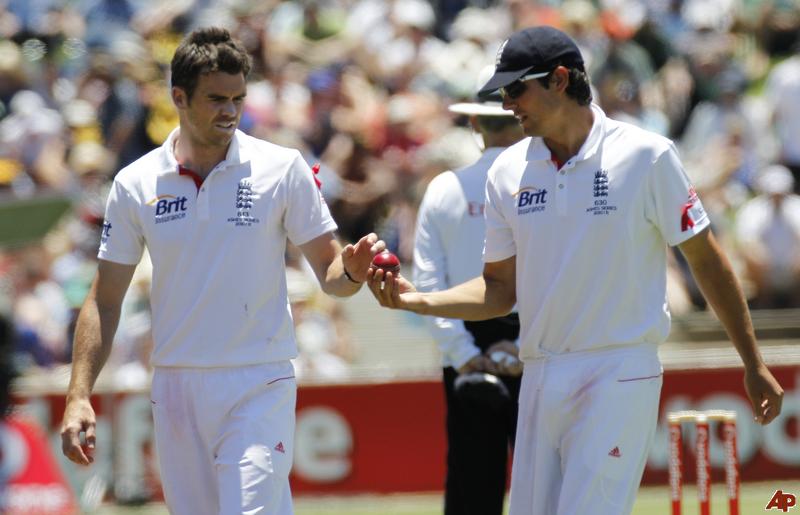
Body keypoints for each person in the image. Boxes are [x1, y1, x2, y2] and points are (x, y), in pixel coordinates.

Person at [367, 25, 784, 515]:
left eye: (516, 89)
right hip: (539, 373)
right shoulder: (507, 171)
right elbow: (499, 290)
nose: (507, 104)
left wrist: (752, 362)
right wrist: (416, 300)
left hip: (618, 370)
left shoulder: (646, 155)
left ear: (560, 79)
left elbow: (706, 259)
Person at [60, 27, 384, 515]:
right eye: (216, 99)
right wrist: (78, 395)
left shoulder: (282, 168)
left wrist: (353, 272)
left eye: (237, 98)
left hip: (259, 382)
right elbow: (104, 300)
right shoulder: (134, 183)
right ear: (179, 97)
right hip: (176, 387)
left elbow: (332, 275)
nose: (230, 111)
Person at [414, 66, 525, 515]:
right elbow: (559, 274)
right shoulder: (541, 185)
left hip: (466, 337)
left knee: (471, 484)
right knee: (545, 481)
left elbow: (428, 284)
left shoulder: (443, 188)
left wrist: (463, 355)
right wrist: (523, 346)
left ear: (476, 123)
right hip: (534, 339)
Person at [734, 164, 800, 309]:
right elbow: (747, 244)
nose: (777, 198)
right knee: (750, 258)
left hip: (793, 268)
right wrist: (762, 260)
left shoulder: (797, 207)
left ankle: (796, 303)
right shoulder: (751, 210)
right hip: (763, 271)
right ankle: (765, 303)